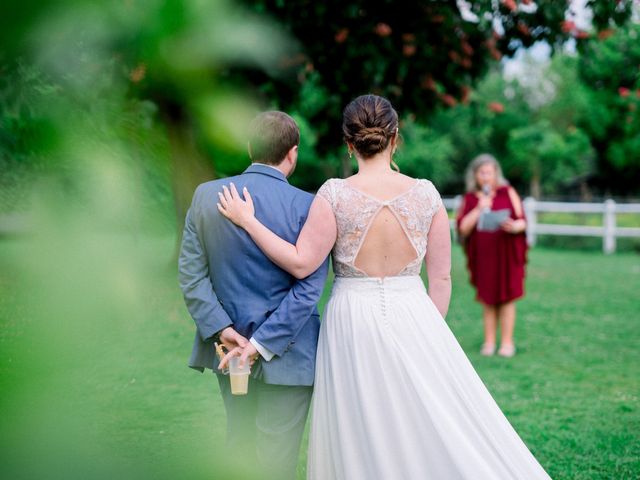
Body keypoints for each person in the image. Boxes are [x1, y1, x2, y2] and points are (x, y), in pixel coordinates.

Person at [217, 95, 551, 479]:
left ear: (349, 143)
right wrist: (431, 331)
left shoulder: (334, 194)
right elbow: (441, 278)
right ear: (396, 137)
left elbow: (300, 261)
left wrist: (248, 221)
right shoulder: (426, 194)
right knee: (422, 416)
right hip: (416, 312)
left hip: (351, 318)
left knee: (361, 419)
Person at [178, 111, 329, 480]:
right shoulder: (309, 206)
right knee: (277, 459)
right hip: (289, 352)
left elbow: (190, 274)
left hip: (229, 351)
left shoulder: (206, 196)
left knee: (239, 446)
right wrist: (262, 343)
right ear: (292, 153)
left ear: (248, 148)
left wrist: (221, 328)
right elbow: (309, 287)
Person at [456, 154, 528, 357]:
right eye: (482, 172)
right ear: (475, 175)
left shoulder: (508, 192)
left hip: (506, 253)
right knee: (488, 300)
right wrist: (479, 208)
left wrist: (514, 226)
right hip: (484, 256)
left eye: (490, 172)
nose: (487, 176)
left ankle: (507, 343)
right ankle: (489, 342)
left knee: (507, 299)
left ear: (497, 173)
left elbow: (522, 220)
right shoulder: (470, 198)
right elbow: (463, 228)